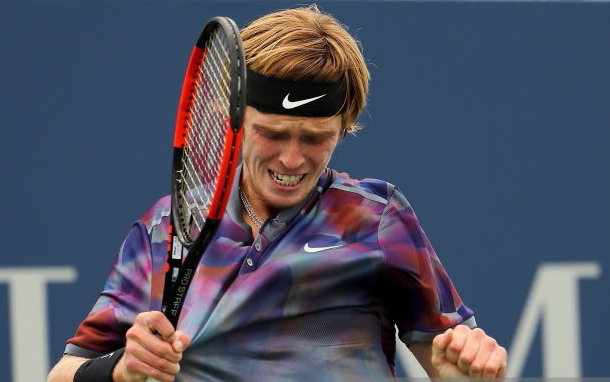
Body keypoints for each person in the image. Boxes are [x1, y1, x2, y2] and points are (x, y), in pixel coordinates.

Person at [48, 5, 506, 382]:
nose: (291, 159)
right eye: (272, 133)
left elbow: (450, 362)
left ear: (343, 129)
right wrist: (120, 370)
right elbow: (63, 374)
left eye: (314, 138)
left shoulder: (376, 218)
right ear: (233, 118)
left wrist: (466, 375)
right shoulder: (161, 230)